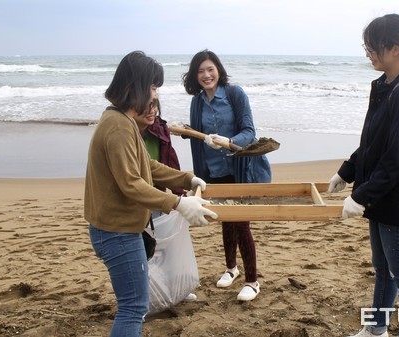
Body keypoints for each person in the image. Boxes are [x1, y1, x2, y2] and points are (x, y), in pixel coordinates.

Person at [84, 51, 217, 337]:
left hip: (118, 229)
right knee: (133, 307)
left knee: (134, 304)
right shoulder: (118, 126)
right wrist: (178, 203)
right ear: (136, 85)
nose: (155, 95)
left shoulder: (123, 121)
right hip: (116, 232)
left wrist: (186, 178)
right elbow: (131, 184)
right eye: (153, 87)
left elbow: (148, 166)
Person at [327, 14, 399, 337]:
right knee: (383, 272)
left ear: (396, 48)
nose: (370, 53)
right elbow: (372, 145)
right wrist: (346, 172)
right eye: (367, 47)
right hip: (380, 200)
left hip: (398, 204)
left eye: (374, 47)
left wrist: (360, 196)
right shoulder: (385, 87)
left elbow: (397, 158)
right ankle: (376, 330)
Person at [181, 49, 271, 301]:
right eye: (200, 71)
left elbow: (249, 132)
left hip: (238, 170)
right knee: (225, 220)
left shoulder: (235, 94)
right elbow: (198, 139)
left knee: (242, 223)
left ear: (218, 70)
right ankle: (231, 269)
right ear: (195, 76)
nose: (206, 75)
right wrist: (189, 134)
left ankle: (252, 281)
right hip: (213, 172)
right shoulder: (197, 101)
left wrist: (228, 141)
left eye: (210, 69)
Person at [133, 98, 197, 302]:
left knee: (165, 246)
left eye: (154, 106)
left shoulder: (159, 129)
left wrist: (183, 185)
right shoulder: (126, 132)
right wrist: (178, 200)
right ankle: (145, 298)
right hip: (135, 200)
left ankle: (176, 290)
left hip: (158, 195)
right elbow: (132, 181)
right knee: (141, 251)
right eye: (146, 107)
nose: (151, 112)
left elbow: (162, 162)